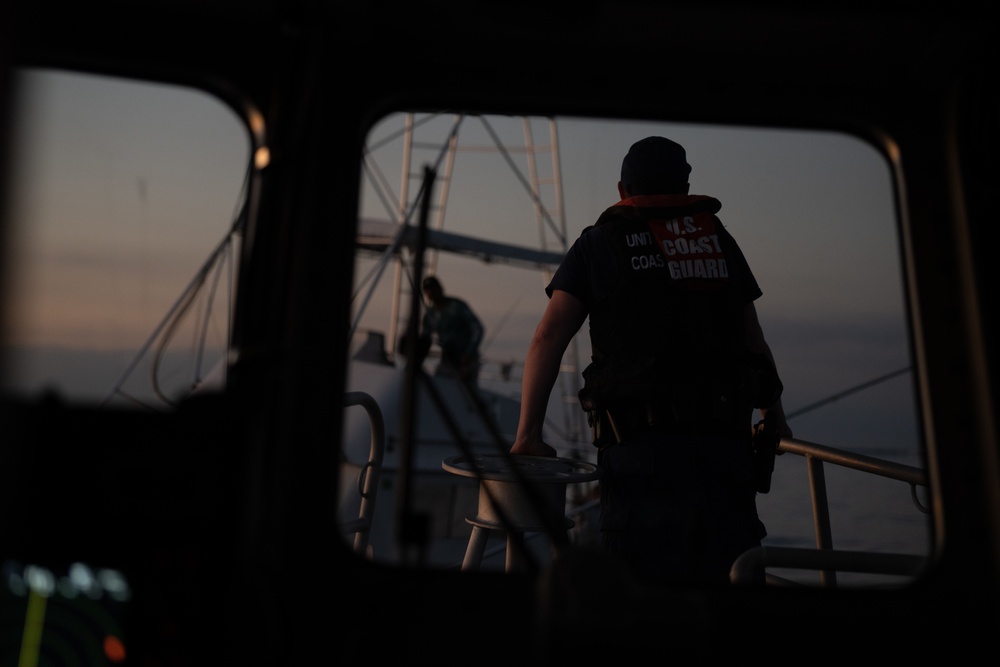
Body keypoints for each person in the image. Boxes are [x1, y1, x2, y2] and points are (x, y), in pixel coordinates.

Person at [510, 136, 792, 587]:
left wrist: (528, 436)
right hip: (725, 458)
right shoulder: (717, 239)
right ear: (685, 188)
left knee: (637, 604)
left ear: (622, 190)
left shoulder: (598, 244)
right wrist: (774, 417)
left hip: (641, 462)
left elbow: (548, 337)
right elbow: (752, 342)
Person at [419, 275, 484, 383]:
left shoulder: (457, 306)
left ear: (440, 288)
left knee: (465, 395)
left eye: (433, 288)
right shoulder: (430, 315)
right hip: (447, 361)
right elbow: (426, 338)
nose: (431, 292)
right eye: (427, 290)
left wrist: (467, 354)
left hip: (467, 362)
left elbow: (478, 329)